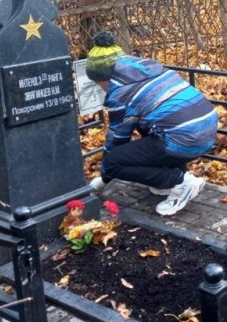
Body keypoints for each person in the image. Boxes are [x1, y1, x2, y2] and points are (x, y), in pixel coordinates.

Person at [85, 31, 219, 216]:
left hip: (184, 137)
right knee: (150, 130)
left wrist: (106, 171)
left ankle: (181, 183)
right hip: (206, 126)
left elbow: (118, 137)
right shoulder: (148, 69)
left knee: (114, 161)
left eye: (99, 83)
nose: (101, 87)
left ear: (105, 77)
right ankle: (168, 181)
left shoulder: (120, 92)